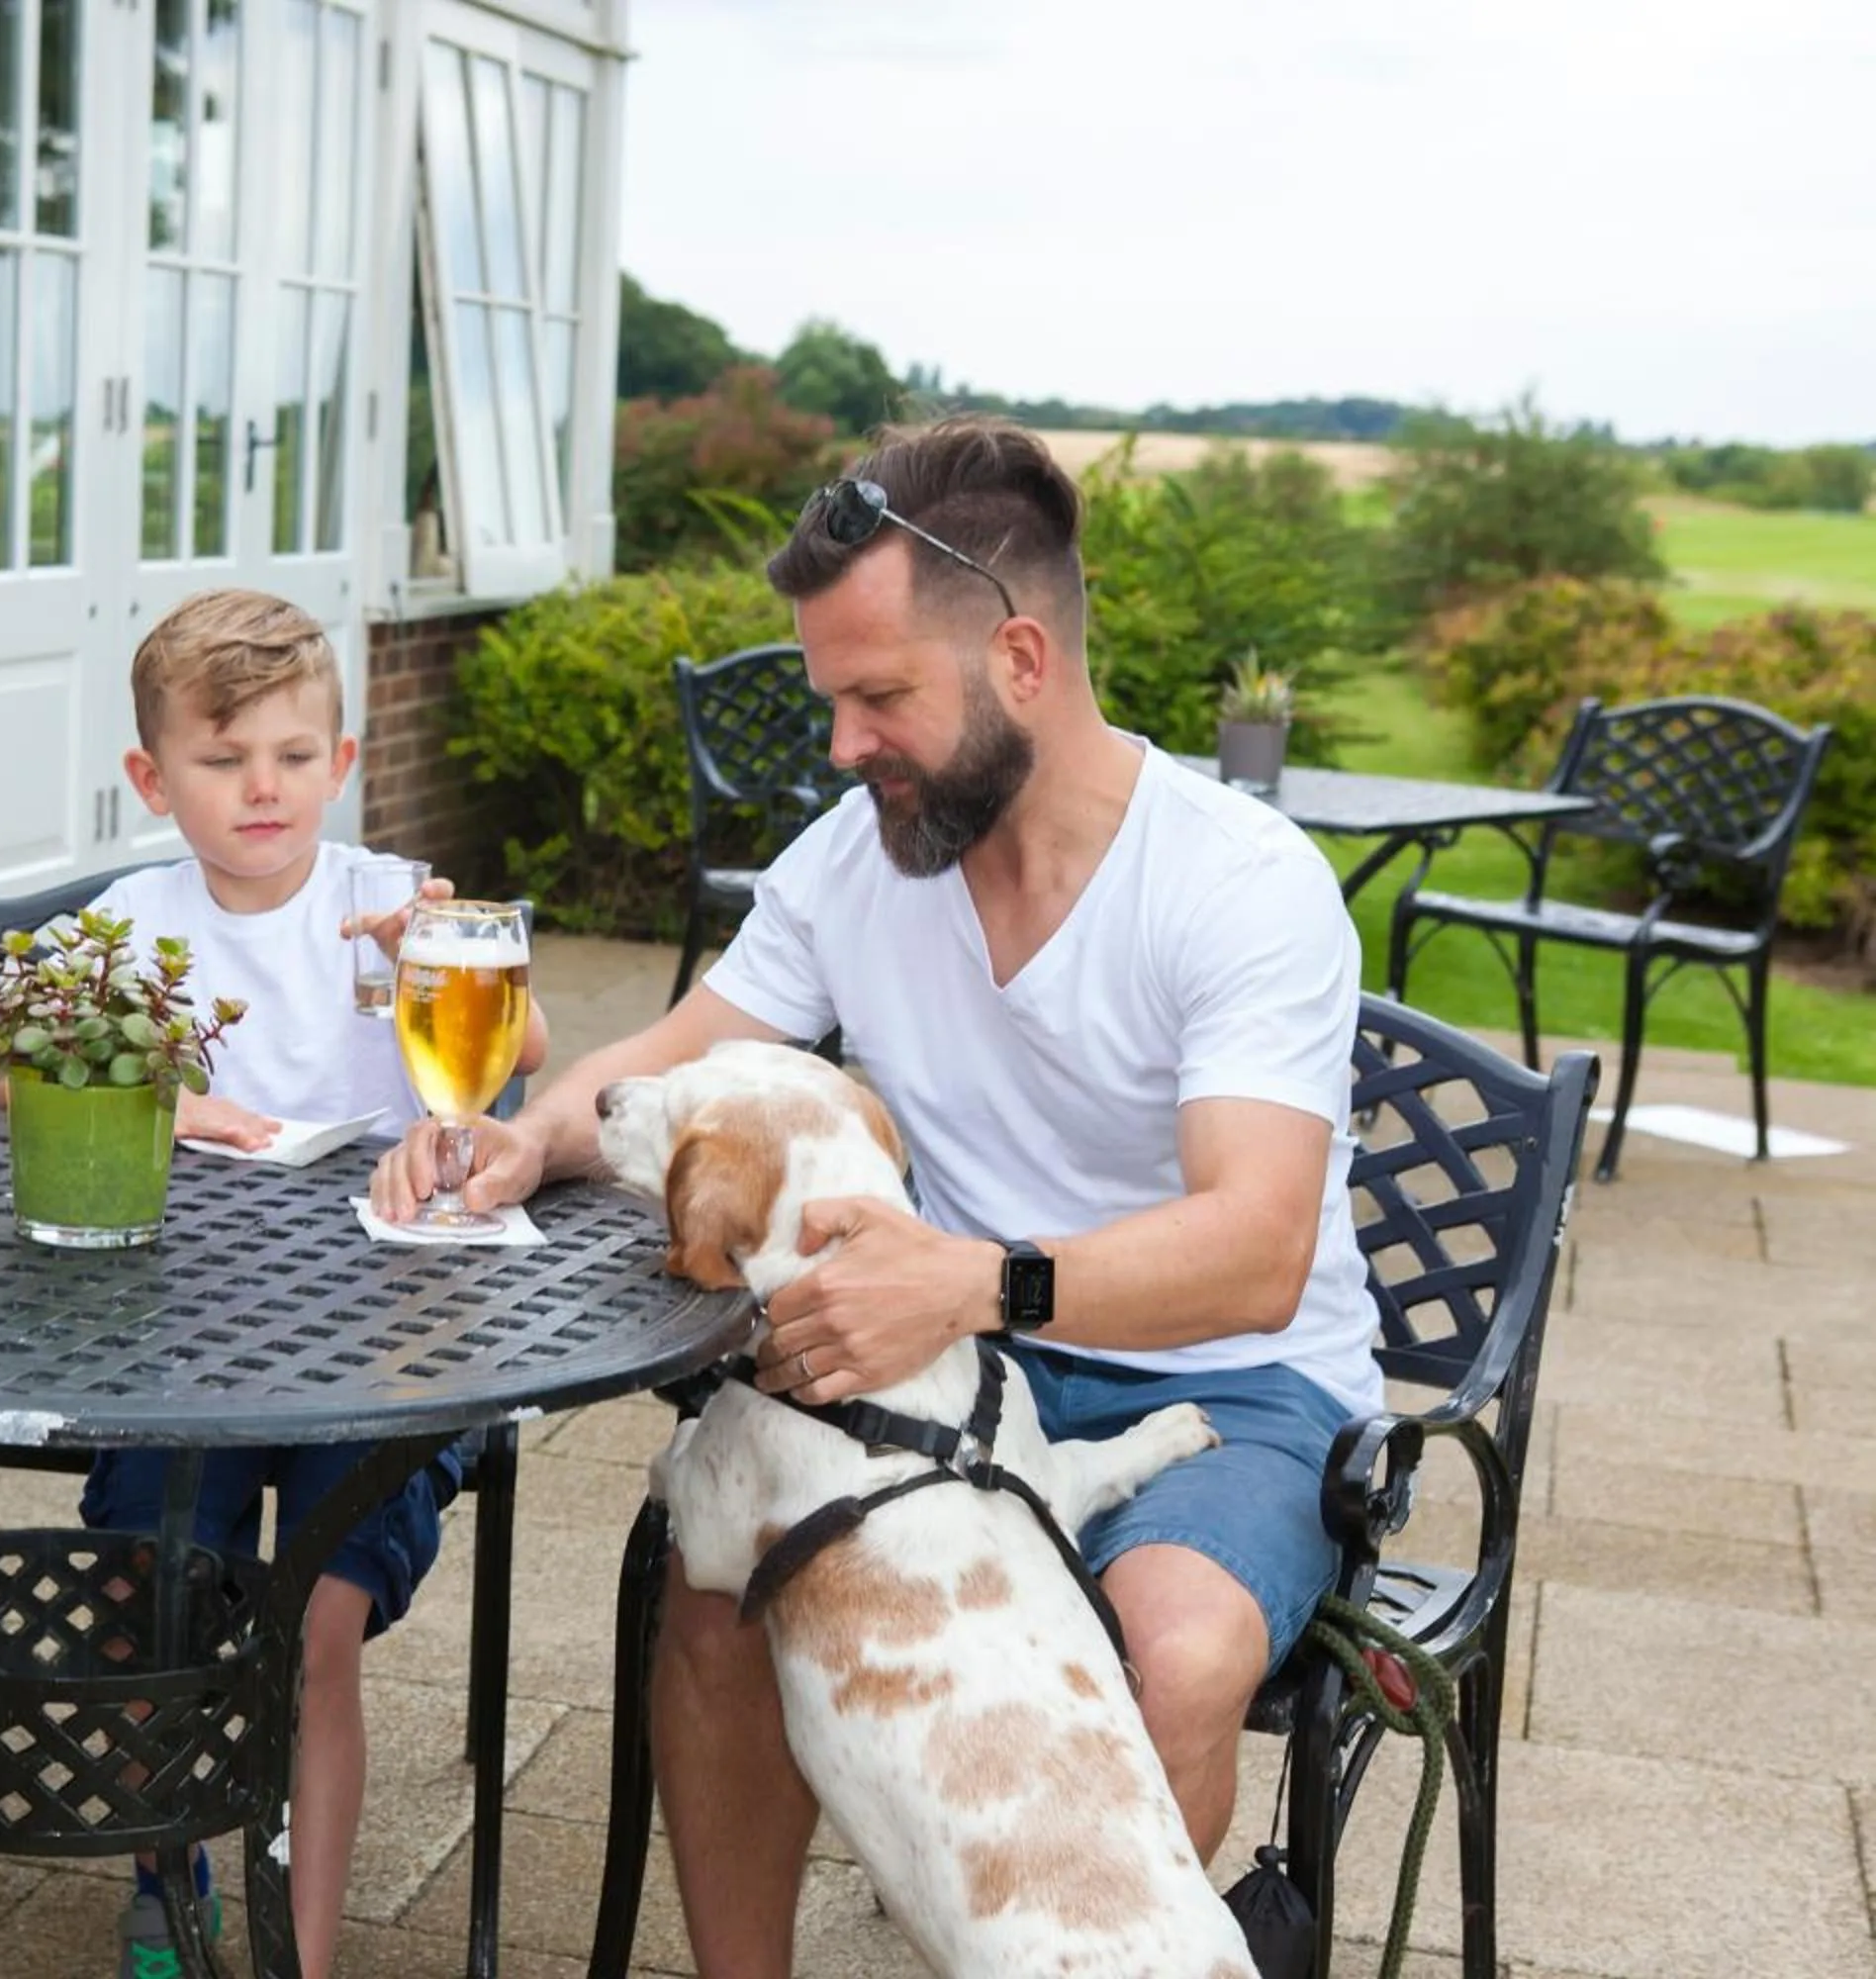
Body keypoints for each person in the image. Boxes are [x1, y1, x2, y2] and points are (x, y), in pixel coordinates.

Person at [371, 417, 1381, 1974]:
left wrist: (977, 1282)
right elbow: (678, 1051)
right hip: (944, 1345)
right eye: (831, 697)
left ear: (1023, 660)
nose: (843, 744)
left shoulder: (1238, 886)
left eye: (879, 696)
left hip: (1225, 1379)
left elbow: (1254, 1250)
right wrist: (533, 1135)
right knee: (718, 1601)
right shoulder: (863, 858)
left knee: (1168, 1657)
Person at [0, 588, 548, 1979]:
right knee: (152, 1586)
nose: (262, 788)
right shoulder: (130, 922)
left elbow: (521, 1075)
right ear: (152, 779)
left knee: (312, 1623)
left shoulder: (396, 907)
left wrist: (461, 980)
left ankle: (306, 1950)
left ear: (342, 764)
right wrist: (157, 1104)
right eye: (223, 763)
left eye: (293, 756)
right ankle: (166, 1866)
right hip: (180, 1340)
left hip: (392, 1336)